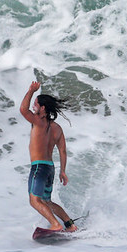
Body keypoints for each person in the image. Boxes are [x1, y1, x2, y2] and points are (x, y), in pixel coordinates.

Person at [19, 81, 77, 232]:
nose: (33, 106)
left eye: (35, 104)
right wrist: (62, 171)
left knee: (34, 200)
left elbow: (23, 109)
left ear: (42, 108)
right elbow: (63, 151)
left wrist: (31, 90)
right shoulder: (57, 128)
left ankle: (55, 224)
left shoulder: (38, 122)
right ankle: (70, 225)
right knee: (46, 201)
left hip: (39, 167)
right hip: (50, 168)